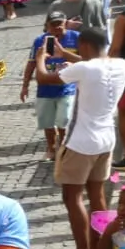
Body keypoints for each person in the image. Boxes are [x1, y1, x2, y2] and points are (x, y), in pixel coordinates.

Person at [36, 27, 125, 249]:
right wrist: (68, 54)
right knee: (97, 195)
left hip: (80, 142)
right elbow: (93, 65)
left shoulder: (85, 69)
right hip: (106, 140)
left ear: (85, 45)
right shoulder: (121, 65)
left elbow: (45, 78)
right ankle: (100, 248)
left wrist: (40, 59)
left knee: (72, 198)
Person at [20, 12, 80, 160]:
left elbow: (86, 59)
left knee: (64, 120)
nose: (57, 27)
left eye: (60, 23)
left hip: (68, 88)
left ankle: (65, 147)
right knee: (47, 121)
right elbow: (32, 62)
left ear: (66, 22)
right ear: (47, 25)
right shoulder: (40, 41)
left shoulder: (77, 37)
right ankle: (51, 148)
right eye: (53, 24)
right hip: (45, 89)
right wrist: (25, 85)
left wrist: (71, 61)